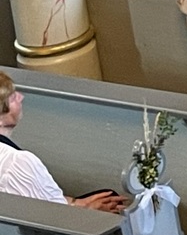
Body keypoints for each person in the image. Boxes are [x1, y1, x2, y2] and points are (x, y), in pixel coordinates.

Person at [0, 72, 126, 212]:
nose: (21, 97)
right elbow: (49, 221)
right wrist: (90, 211)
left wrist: (76, 203)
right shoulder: (17, 162)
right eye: (12, 98)